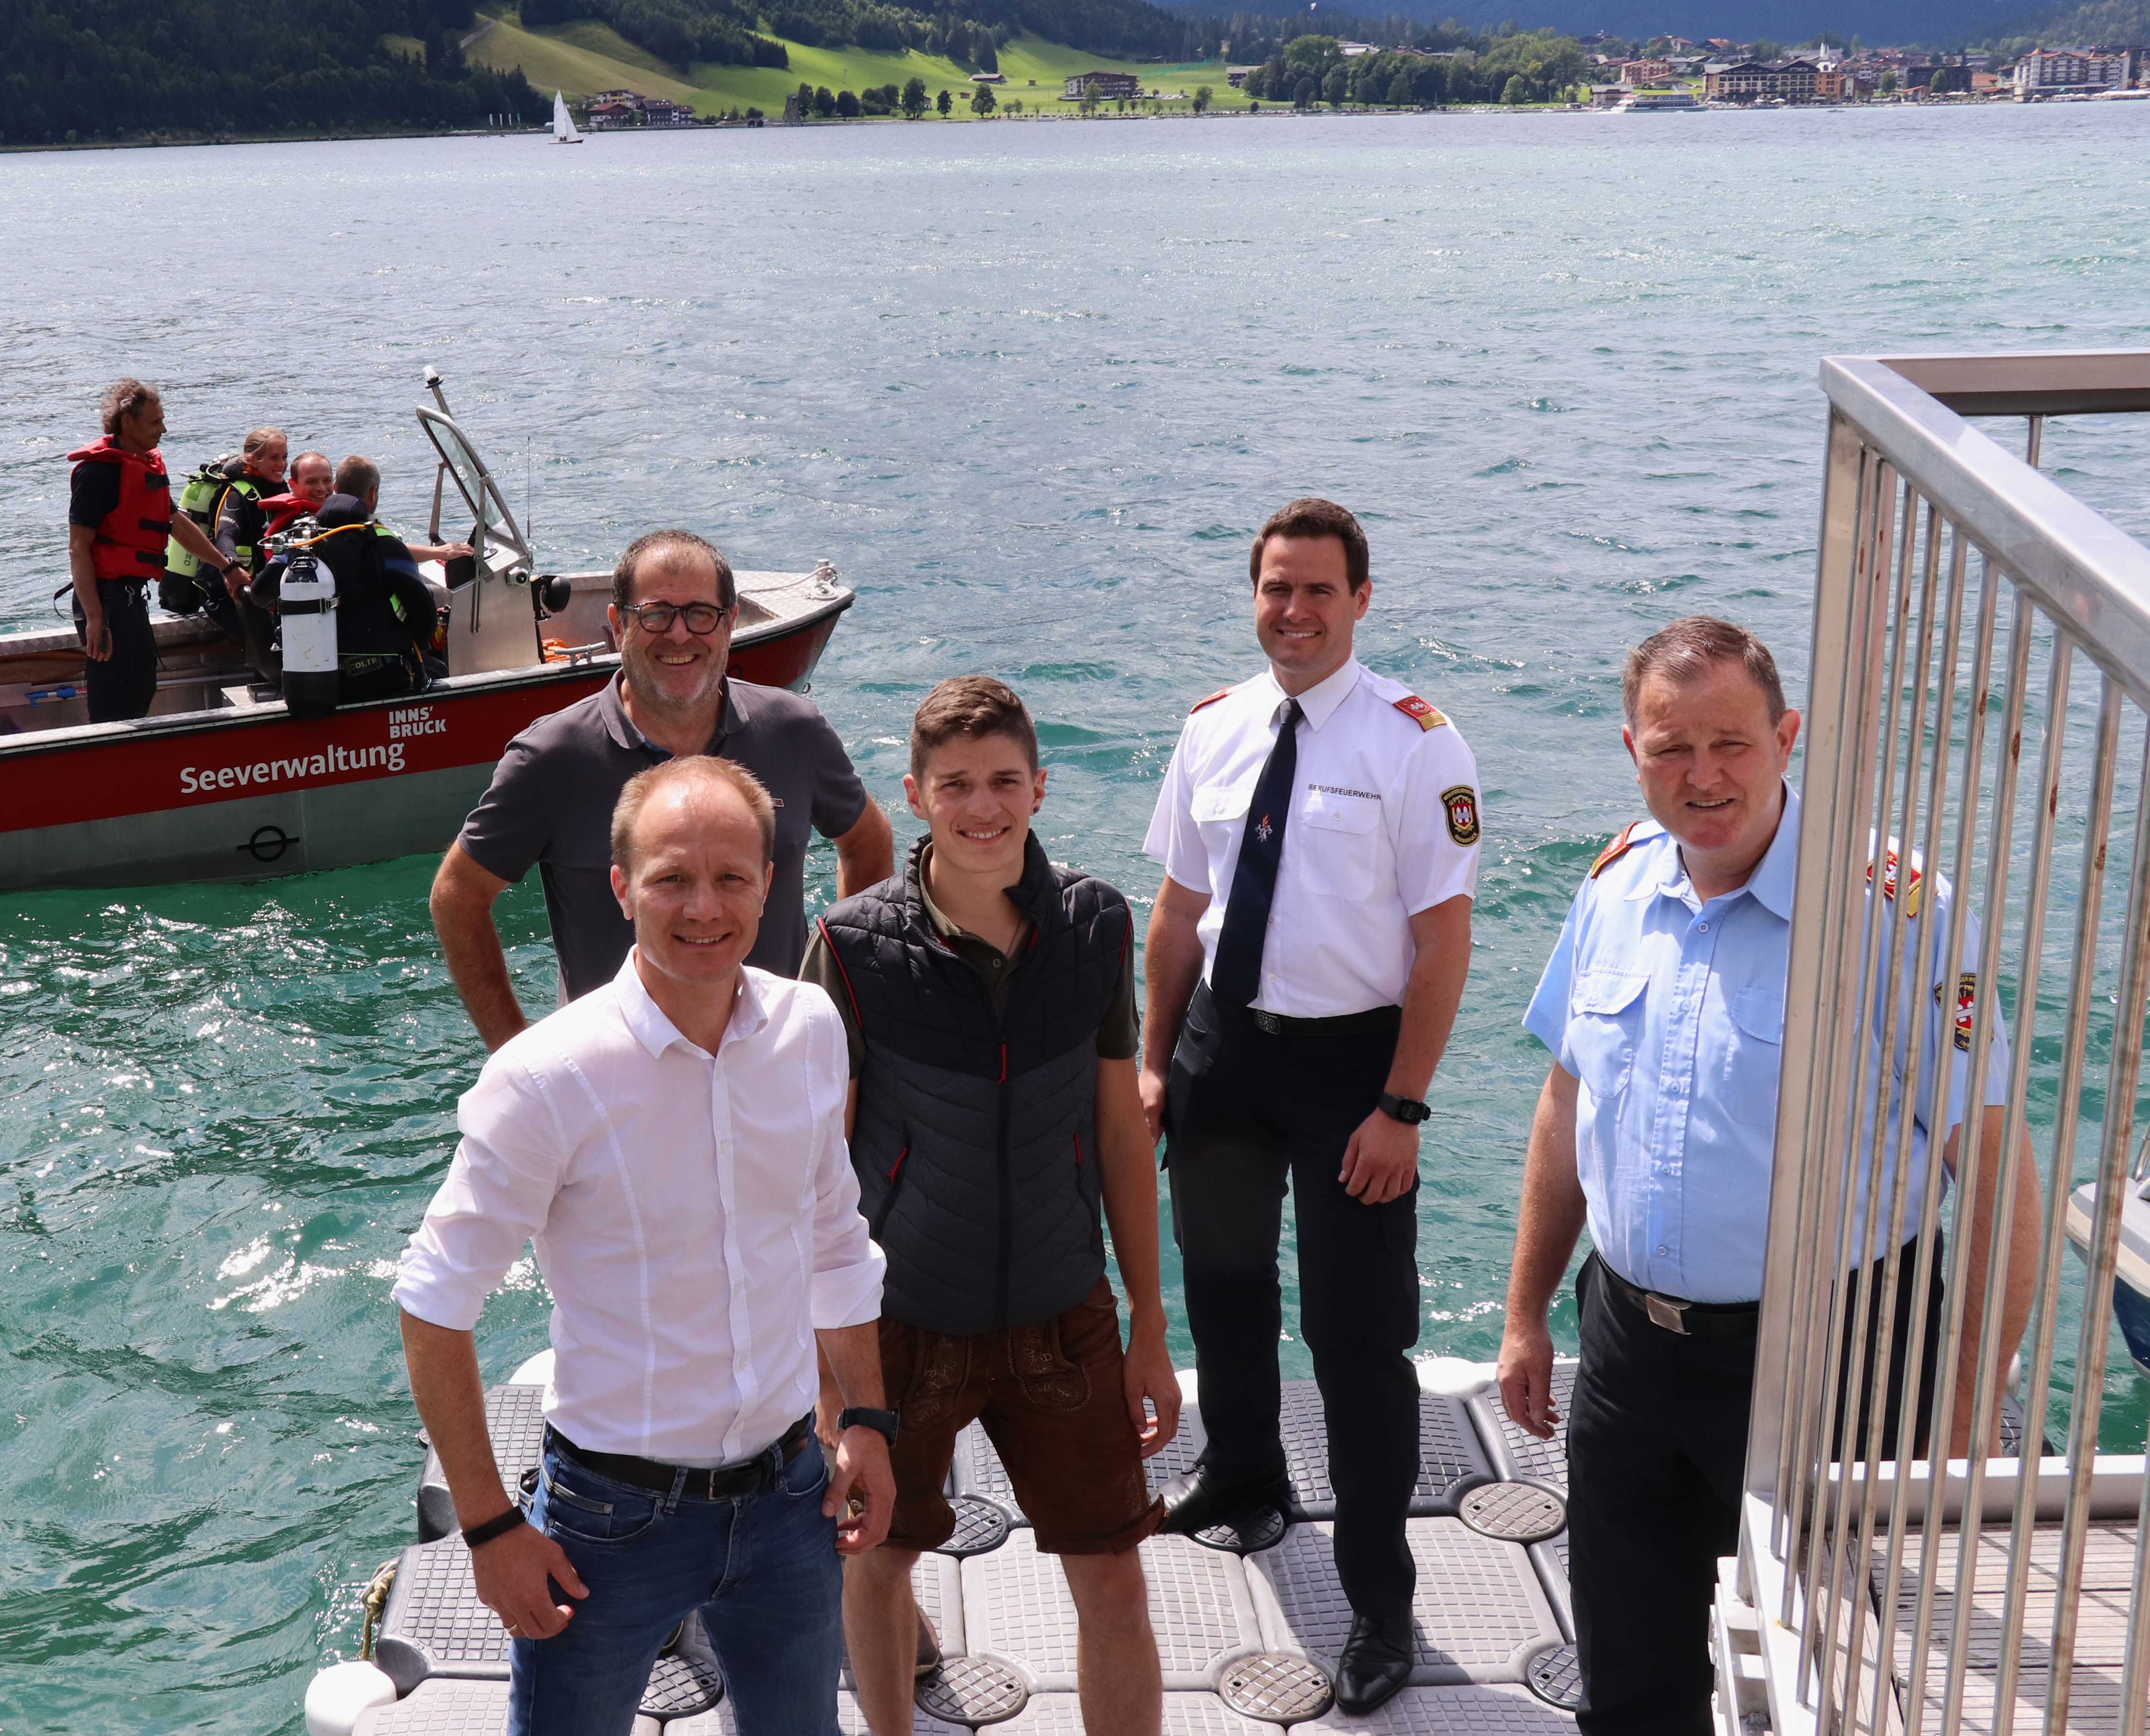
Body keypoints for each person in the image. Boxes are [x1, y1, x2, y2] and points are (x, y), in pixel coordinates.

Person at [1496, 615, 2041, 1736]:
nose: (1701, 776)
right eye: (1669, 747)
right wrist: (1523, 1313)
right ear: (1631, 751)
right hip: (1626, 1348)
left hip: (1830, 1356)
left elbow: (1994, 1173)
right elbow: (1564, 1106)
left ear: (1786, 737)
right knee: (1625, 1666)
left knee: (1825, 1677)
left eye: (1730, 743)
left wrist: (1960, 1410)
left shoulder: (1896, 914)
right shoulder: (1614, 885)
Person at [395, 755, 898, 1736]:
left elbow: (834, 1236)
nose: (703, 906)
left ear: (769, 884)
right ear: (621, 887)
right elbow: (433, 1301)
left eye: (730, 877)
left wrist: (868, 1418)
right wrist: (490, 1528)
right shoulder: (546, 1077)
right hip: (610, 1523)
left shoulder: (810, 1028)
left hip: (791, 1493)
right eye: (672, 878)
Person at [1136, 497, 1479, 1716]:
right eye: (1275, 587)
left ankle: (1379, 1603)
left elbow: (1442, 944)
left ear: (1359, 600)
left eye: (1317, 589)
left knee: (1355, 1340)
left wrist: (1401, 1106)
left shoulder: (1415, 743)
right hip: (1223, 1051)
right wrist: (1153, 1061)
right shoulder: (1213, 727)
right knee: (1223, 1288)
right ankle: (1243, 1473)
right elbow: (1177, 912)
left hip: (1352, 1072)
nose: (1293, 609)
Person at [804, 676, 1183, 1736]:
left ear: (1039, 788)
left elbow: (1120, 1134)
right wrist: (828, 1378)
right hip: (901, 1324)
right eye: (956, 785)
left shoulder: (1095, 924)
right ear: (915, 796)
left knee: (1115, 1582)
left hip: (1063, 1315)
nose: (983, 807)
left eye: (1005, 782)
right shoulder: (850, 947)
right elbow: (816, 1174)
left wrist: (1148, 1325)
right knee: (879, 1564)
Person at [433, 528, 897, 1049]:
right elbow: (458, 896)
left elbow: (866, 842)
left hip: (774, 1063)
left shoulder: (794, 731)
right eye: (655, 615)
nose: (679, 634)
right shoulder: (551, 758)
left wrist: (841, 1002)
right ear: (618, 625)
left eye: (700, 614)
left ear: (730, 623)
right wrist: (515, 1053)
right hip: (613, 1078)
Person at [65, 378, 234, 724]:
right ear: (128, 422)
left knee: (142, 687)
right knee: (112, 701)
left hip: (131, 599)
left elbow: (177, 524)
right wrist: (95, 616)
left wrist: (226, 567)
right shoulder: (98, 472)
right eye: (155, 422)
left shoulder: (143, 466)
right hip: (105, 602)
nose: (164, 430)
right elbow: (78, 549)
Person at [272, 456, 472, 704]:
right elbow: (424, 613)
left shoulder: (301, 540)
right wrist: (417, 648)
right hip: (377, 676)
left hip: (309, 677)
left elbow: (260, 593)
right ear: (373, 493)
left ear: (336, 488)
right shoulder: (382, 542)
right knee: (438, 670)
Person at [160, 424, 287, 625]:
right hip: (223, 596)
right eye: (274, 458)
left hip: (259, 591)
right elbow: (225, 535)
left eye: (284, 457)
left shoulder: (279, 490)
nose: (282, 464)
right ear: (253, 460)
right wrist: (232, 568)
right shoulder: (239, 495)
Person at [259, 449, 335, 537]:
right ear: (293, 485)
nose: (321, 488)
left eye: (327, 481)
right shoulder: (292, 527)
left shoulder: (339, 513)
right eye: (311, 482)